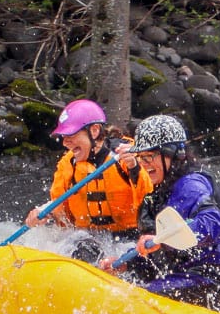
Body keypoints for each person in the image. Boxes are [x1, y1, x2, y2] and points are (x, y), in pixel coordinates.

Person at [98, 115, 220, 312]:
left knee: (143, 299)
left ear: (173, 154)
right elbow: (162, 253)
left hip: (215, 280)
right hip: (188, 273)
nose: (144, 163)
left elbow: (213, 224)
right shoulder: (160, 190)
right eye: (141, 157)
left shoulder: (190, 185)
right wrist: (126, 265)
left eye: (150, 156)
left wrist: (163, 238)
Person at [23, 99, 152, 262]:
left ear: (94, 130)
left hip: (131, 238)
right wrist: (45, 212)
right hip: (89, 237)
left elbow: (150, 196)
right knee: (83, 249)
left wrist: (134, 166)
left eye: (71, 135)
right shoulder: (68, 164)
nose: (65, 142)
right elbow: (60, 208)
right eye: (63, 136)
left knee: (133, 260)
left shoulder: (128, 154)